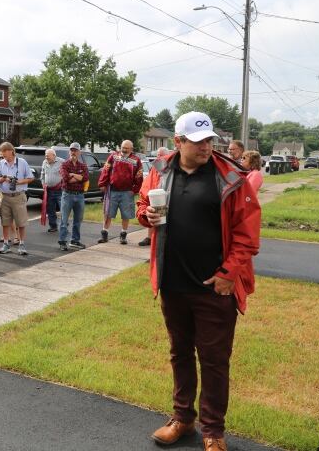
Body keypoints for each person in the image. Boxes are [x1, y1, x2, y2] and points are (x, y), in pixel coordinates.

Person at [137, 111, 260, 451]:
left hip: (213, 288)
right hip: (173, 283)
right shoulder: (159, 170)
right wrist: (144, 214)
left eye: (209, 140)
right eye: (198, 141)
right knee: (179, 353)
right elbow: (143, 204)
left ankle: (213, 432)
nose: (206, 147)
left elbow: (247, 235)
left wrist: (227, 274)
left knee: (215, 360)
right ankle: (182, 418)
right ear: (178, 142)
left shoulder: (231, 177)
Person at [98, 140, 143, 245]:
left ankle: (123, 236)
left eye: (127, 148)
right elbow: (106, 169)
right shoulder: (113, 156)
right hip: (112, 190)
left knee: (125, 215)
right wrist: (102, 183)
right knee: (107, 213)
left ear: (131, 149)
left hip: (127, 192)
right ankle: (104, 234)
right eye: (123, 147)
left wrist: (135, 189)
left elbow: (139, 176)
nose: (124, 149)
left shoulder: (136, 160)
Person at [0, 142, 32, 255]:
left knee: (21, 222)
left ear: (11, 151)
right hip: (5, 197)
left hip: (19, 196)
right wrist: (3, 179)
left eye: (5, 151)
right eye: (2, 152)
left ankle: (22, 244)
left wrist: (19, 181)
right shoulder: (0, 164)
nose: (3, 154)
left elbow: (30, 178)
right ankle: (6, 244)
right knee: (5, 222)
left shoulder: (22, 162)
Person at [58, 142, 88, 251]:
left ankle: (75, 240)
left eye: (75, 150)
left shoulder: (83, 165)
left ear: (79, 152)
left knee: (78, 220)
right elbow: (66, 178)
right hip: (67, 195)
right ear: (69, 151)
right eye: (71, 150)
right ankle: (62, 241)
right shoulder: (64, 164)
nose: (73, 152)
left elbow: (85, 178)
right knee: (64, 220)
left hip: (79, 196)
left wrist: (73, 175)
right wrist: (78, 177)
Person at [138, 146, 170, 247]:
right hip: (154, 194)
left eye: (161, 155)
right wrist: (148, 193)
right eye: (157, 155)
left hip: (165, 196)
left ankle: (160, 239)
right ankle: (149, 237)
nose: (158, 157)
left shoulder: (170, 167)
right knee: (152, 214)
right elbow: (149, 182)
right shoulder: (155, 166)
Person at [40, 148, 63, 233]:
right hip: (48, 190)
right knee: (50, 209)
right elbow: (42, 174)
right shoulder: (44, 162)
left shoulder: (62, 162)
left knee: (63, 209)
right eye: (45, 155)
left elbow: (67, 173)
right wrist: (43, 184)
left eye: (48, 156)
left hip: (60, 190)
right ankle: (53, 226)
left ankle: (64, 225)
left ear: (54, 156)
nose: (46, 157)